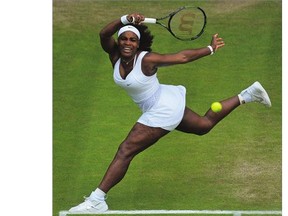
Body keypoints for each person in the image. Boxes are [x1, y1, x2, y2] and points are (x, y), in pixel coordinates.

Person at [68, 13, 271, 213]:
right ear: (118, 41)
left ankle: (97, 200)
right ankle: (248, 94)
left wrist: (209, 49)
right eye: (123, 39)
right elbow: (104, 34)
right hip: (161, 103)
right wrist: (124, 19)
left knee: (126, 150)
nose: (127, 43)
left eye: (132, 39)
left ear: (138, 44)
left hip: (161, 109)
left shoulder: (146, 60)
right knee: (203, 126)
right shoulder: (114, 55)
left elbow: (181, 57)